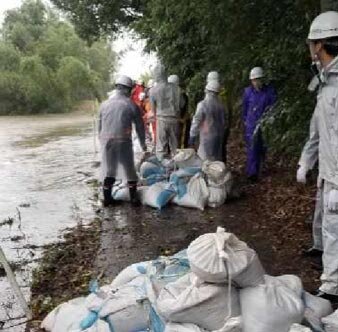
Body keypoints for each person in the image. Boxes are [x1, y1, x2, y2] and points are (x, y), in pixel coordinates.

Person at [297, 11, 338, 302]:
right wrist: (306, 160)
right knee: (326, 226)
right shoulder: (325, 80)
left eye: (313, 44)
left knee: (334, 229)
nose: (310, 49)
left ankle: (332, 289)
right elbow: (317, 126)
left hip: (337, 174)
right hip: (328, 170)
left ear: (321, 44)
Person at [98, 75, 146, 207]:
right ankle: (133, 199)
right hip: (123, 141)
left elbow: (99, 127)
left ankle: (107, 199)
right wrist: (143, 145)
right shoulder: (131, 105)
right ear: (127, 89)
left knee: (110, 169)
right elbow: (140, 128)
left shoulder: (104, 104)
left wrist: (102, 142)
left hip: (107, 141)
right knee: (129, 168)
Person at [242, 67, 277, 181]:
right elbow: (245, 108)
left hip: (264, 124)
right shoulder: (248, 92)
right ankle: (252, 173)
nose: (256, 82)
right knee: (252, 148)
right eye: (254, 80)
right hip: (251, 124)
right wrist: (245, 120)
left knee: (262, 147)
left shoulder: (269, 92)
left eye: (258, 79)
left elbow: (273, 107)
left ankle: (260, 167)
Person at [189, 80, 227, 161]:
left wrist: (192, 135)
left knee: (204, 160)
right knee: (216, 161)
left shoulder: (202, 104)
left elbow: (196, 121)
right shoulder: (221, 106)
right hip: (219, 136)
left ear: (207, 90)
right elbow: (224, 123)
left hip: (206, 137)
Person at [150, 64, 180, 160]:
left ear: (156, 75)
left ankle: (162, 170)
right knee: (175, 148)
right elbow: (181, 104)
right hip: (174, 119)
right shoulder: (176, 88)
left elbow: (153, 109)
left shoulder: (153, 91)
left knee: (161, 148)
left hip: (161, 119)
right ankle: (176, 167)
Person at [168, 74, 190, 148]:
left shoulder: (182, 95)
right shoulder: (180, 95)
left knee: (179, 144)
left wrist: (182, 119)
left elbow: (185, 110)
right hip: (176, 122)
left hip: (180, 123)